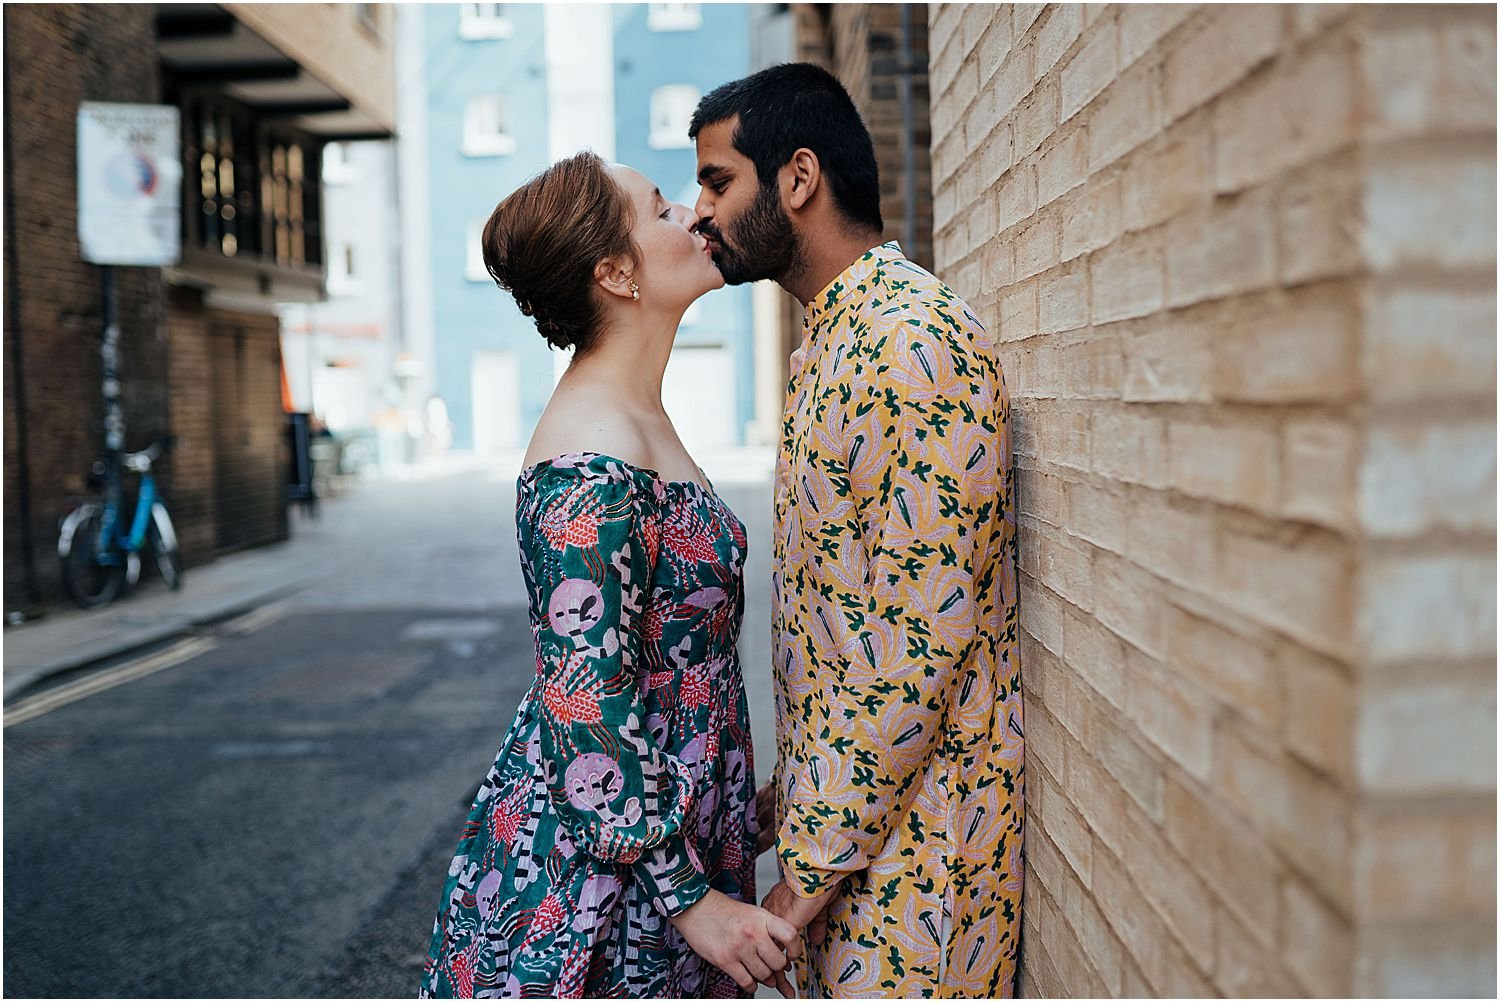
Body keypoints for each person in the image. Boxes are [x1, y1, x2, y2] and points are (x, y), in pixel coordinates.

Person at [419, 151, 801, 999]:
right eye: (661, 209)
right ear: (617, 273)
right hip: (607, 884)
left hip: (670, 841)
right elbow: (586, 700)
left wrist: (746, 805)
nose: (693, 218)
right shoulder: (586, 453)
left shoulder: (637, 414)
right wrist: (692, 900)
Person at [690, 64, 1024, 998]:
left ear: (797, 179)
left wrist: (799, 886)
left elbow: (913, 650)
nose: (702, 211)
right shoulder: (831, 342)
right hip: (851, 853)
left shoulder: (911, 345)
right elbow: (846, 622)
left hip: (918, 871)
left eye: (719, 181)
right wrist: (783, 810)